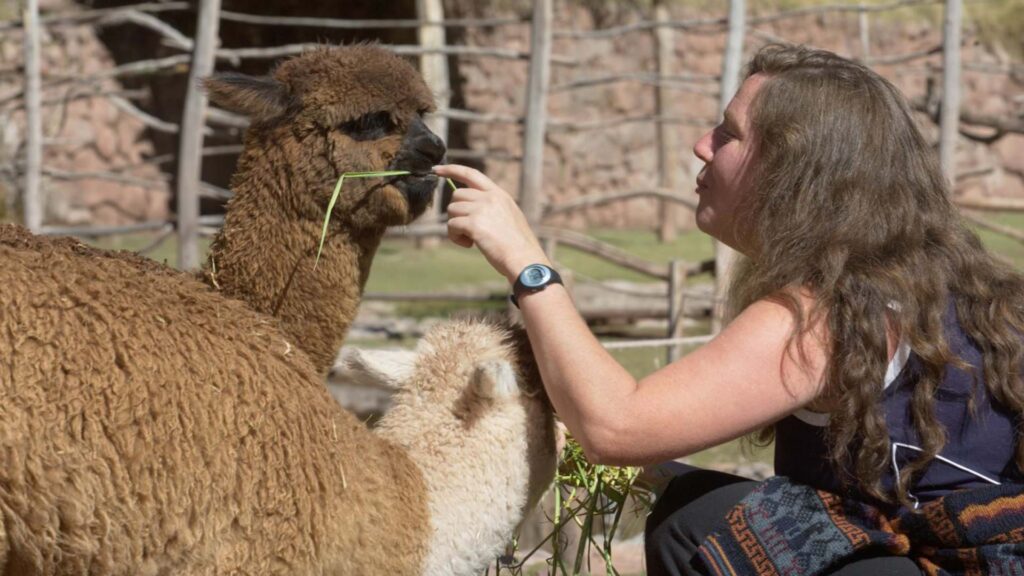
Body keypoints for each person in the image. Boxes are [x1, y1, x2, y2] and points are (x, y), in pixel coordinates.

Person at [432, 43, 1024, 575]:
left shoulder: (829, 313)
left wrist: (527, 265)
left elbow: (617, 427)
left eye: (728, 134)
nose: (701, 145)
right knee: (695, 491)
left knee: (699, 520)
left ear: (792, 171)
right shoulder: (937, 288)